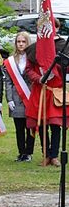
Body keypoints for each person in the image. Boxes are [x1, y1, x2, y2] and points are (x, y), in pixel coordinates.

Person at [24, 18, 67, 167]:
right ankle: (46, 155)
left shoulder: (63, 46)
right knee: (41, 125)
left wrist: (58, 69)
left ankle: (54, 155)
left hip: (55, 91)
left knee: (55, 124)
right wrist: (39, 78)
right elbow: (28, 69)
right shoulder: (35, 47)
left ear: (56, 28)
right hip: (40, 90)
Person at [4, 31, 34, 162]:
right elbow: (8, 81)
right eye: (18, 42)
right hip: (16, 98)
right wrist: (9, 99)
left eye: (23, 42)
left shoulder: (33, 58)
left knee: (30, 126)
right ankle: (21, 152)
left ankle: (29, 152)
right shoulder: (10, 61)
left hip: (30, 97)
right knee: (19, 128)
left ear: (28, 43)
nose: (21, 44)